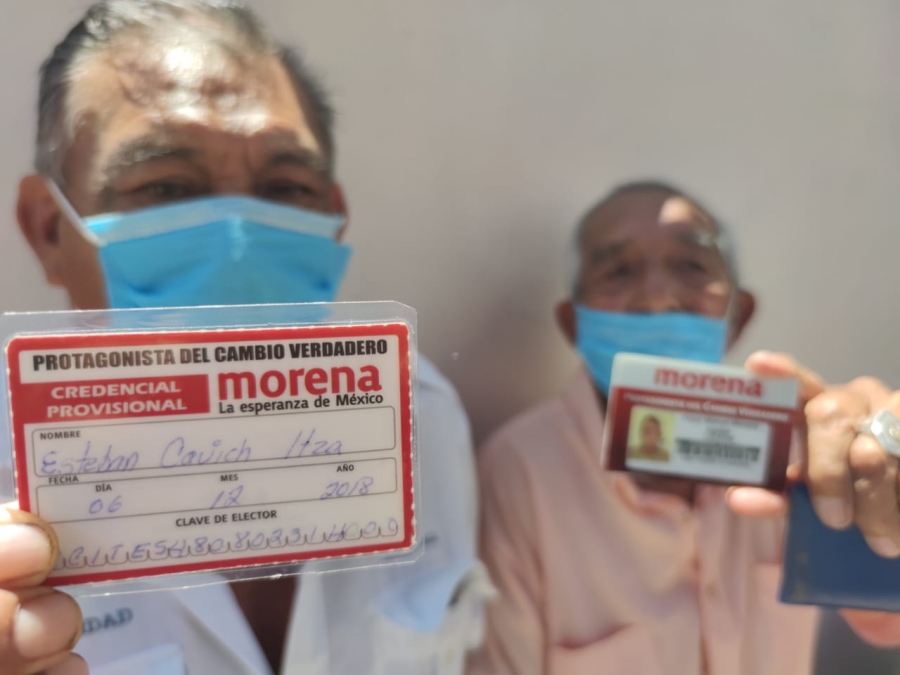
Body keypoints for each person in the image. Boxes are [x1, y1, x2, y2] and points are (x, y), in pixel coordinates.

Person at [2, 2, 486, 673]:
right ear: (48, 230)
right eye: (165, 186)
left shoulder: (422, 419)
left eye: (285, 187)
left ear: (335, 220)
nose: (237, 244)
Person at [468, 181, 900, 675]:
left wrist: (882, 485)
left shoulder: (801, 451)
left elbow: (887, 619)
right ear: (573, 324)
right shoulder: (523, 470)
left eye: (691, 265)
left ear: (739, 315)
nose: (657, 297)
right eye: (617, 270)